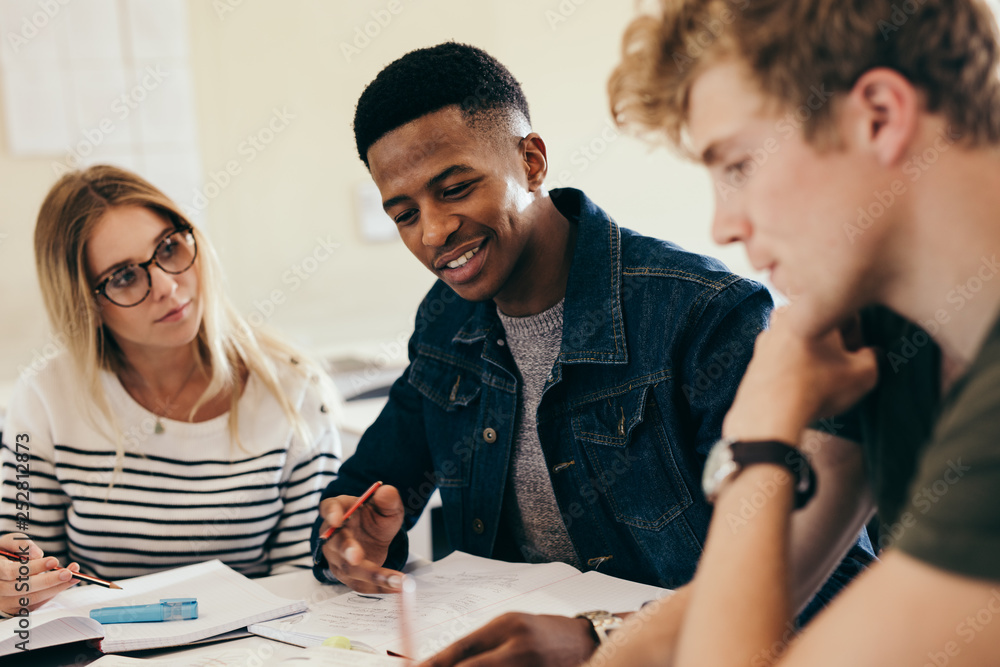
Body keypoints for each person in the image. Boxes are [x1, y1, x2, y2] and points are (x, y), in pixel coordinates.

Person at [312, 43, 874, 666]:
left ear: (531, 161)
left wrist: (598, 636)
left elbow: (826, 585)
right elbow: (361, 493)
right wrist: (352, 542)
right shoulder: (446, 322)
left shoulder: (705, 313)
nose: (433, 232)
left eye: (456, 188)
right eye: (403, 213)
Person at [589, 0, 1000, 665]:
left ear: (880, 117)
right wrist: (603, 645)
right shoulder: (881, 326)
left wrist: (760, 433)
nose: (722, 226)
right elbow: (723, 604)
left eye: (738, 166)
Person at [0, 165, 340, 617]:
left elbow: (304, 584)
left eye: (168, 248)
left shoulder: (292, 388)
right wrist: (13, 590)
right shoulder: (43, 399)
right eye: (123, 277)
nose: (166, 285)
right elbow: (24, 570)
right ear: (87, 303)